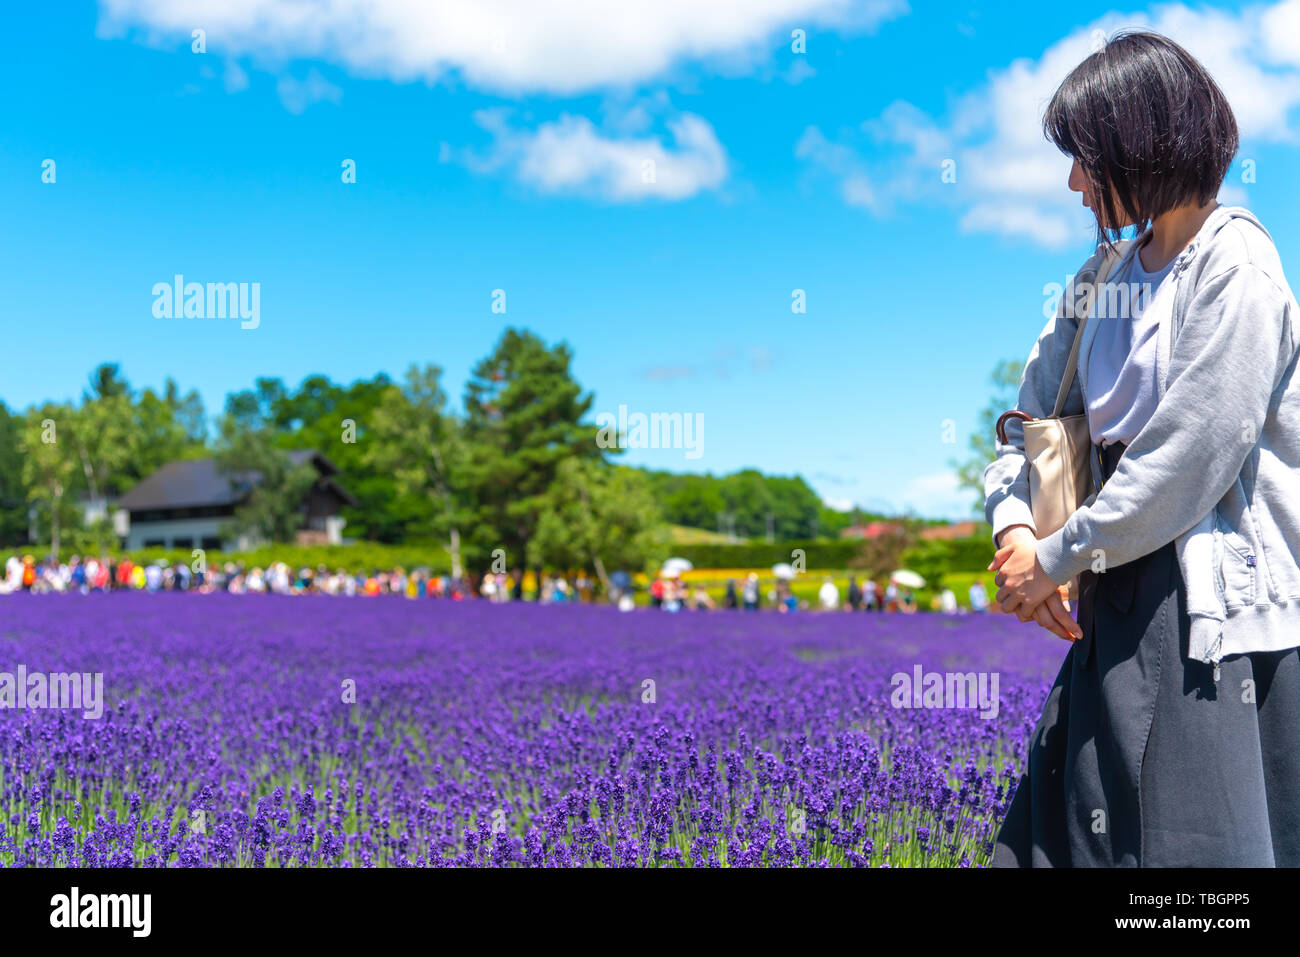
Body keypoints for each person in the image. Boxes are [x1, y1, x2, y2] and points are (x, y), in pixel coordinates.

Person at [986, 33, 1300, 868]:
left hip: (1203, 608)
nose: (1074, 183)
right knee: (1074, 835)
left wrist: (1059, 553)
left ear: (1143, 144)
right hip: (1108, 583)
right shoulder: (1101, 276)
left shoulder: (1237, 263)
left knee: (1189, 866)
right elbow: (1027, 423)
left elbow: (1191, 457)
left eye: (1087, 159)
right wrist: (1015, 529)